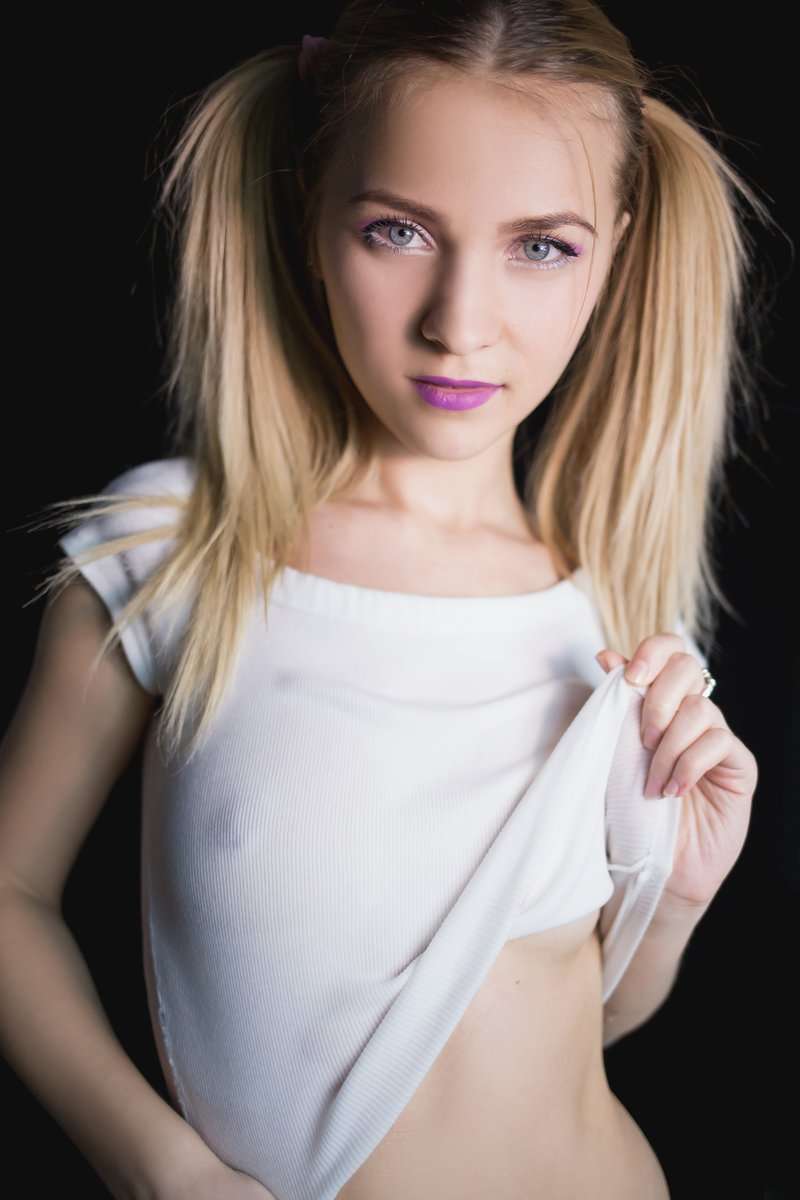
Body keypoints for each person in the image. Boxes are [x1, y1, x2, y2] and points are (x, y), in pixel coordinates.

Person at [1, 2, 766, 1198]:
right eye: (397, 231)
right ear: (311, 215)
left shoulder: (612, 616)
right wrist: (165, 1171)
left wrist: (672, 900)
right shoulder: (177, 554)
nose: (458, 324)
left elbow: (580, 1030)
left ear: (614, 253)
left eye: (541, 247)